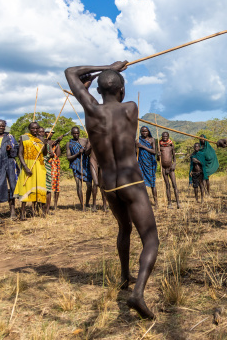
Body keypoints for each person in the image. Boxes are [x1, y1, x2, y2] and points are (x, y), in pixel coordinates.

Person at [65, 61, 159, 319]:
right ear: (122, 90)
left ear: (96, 90)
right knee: (151, 239)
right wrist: (112, 70)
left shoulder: (91, 110)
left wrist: (107, 67)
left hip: (108, 185)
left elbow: (70, 73)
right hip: (131, 181)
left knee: (124, 228)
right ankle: (137, 294)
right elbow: (108, 88)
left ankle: (124, 276)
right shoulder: (130, 108)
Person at [14, 122, 48, 221]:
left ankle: (40, 212)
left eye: (37, 128)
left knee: (39, 187)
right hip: (28, 165)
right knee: (25, 187)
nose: (35, 130)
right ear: (29, 128)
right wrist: (25, 167)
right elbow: (20, 153)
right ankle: (22, 214)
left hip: (39, 165)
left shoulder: (41, 139)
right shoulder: (24, 137)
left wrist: (45, 144)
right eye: (33, 128)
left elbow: (44, 153)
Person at [66, 127, 93, 211]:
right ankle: (82, 206)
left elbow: (88, 151)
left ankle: (87, 203)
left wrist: (86, 149)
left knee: (89, 186)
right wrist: (78, 153)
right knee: (79, 186)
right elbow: (68, 157)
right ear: (72, 134)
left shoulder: (85, 140)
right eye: (74, 133)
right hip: (75, 165)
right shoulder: (69, 143)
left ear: (79, 133)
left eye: (77, 133)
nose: (76, 135)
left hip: (85, 164)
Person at [44, 128, 65, 212]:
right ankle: (45, 204)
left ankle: (55, 205)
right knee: (46, 184)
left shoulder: (55, 142)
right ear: (45, 133)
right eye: (48, 132)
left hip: (54, 163)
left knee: (55, 184)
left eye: (51, 132)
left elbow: (58, 154)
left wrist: (58, 142)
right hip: (45, 162)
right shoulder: (43, 141)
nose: (50, 133)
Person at [137, 126, 158, 208]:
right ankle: (144, 201)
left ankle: (156, 202)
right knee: (142, 184)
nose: (144, 133)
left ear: (148, 131)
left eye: (146, 131)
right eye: (142, 131)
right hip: (141, 164)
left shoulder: (152, 140)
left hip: (150, 164)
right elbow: (136, 153)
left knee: (153, 183)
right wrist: (136, 146)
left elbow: (154, 151)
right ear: (140, 132)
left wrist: (142, 146)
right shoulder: (138, 140)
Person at [159, 132, 180, 208]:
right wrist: (158, 155)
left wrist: (174, 164)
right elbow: (159, 159)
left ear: (168, 136)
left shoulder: (171, 145)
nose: (164, 137)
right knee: (167, 185)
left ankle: (178, 203)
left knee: (174, 185)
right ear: (162, 137)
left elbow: (174, 157)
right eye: (163, 136)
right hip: (164, 169)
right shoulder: (160, 146)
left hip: (171, 168)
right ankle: (169, 203)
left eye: (166, 136)